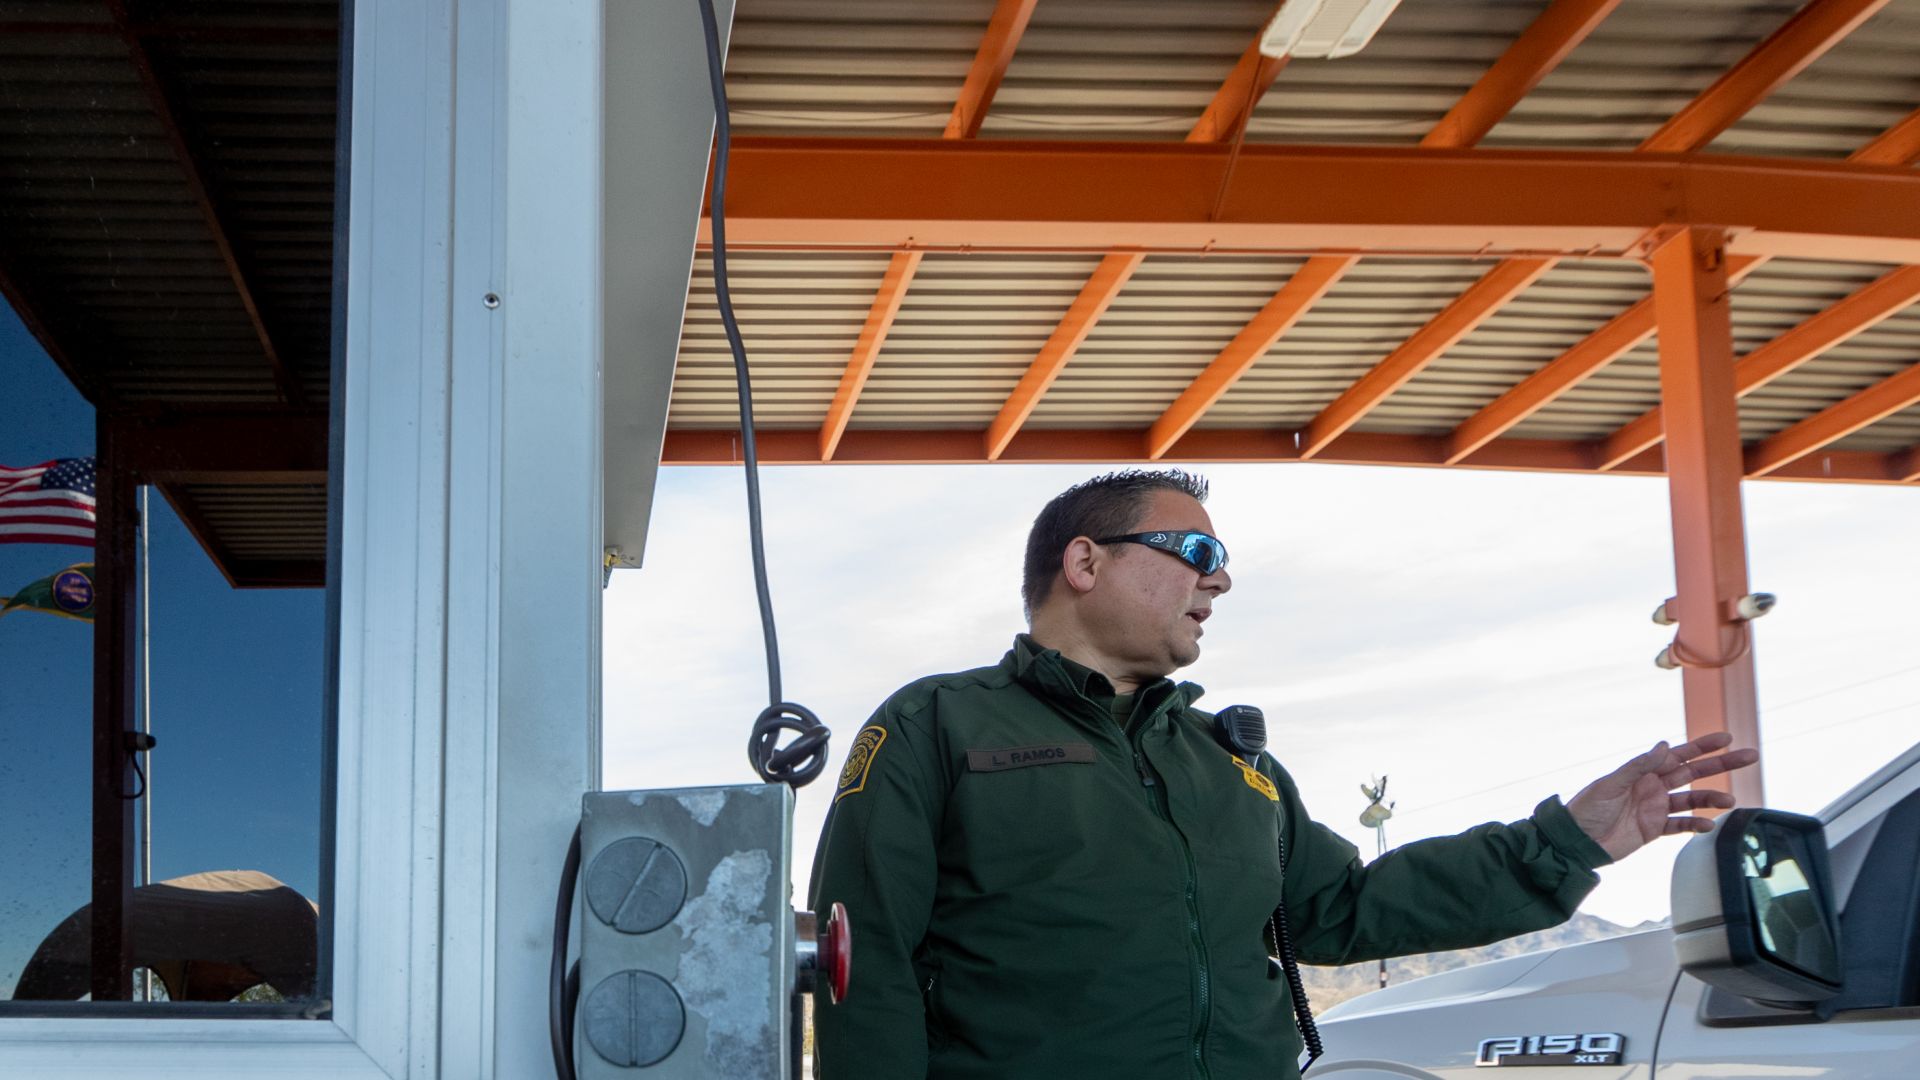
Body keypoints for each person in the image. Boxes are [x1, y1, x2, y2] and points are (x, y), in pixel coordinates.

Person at [808, 469, 1758, 1080]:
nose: (1218, 583)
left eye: (1221, 565)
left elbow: (1346, 910)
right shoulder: (937, 725)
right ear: (1085, 561)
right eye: (1197, 554)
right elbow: (866, 969)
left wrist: (1567, 841)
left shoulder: (1233, 763)